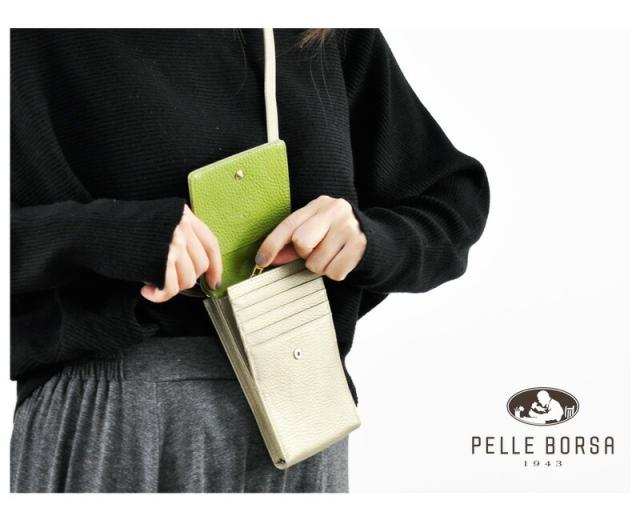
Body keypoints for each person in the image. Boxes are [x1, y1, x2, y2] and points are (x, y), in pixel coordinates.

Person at [10, 28, 490, 492]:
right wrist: (110, 233)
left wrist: (365, 239)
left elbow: (450, 201)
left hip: (301, 408)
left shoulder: (320, 30)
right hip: (112, 409)